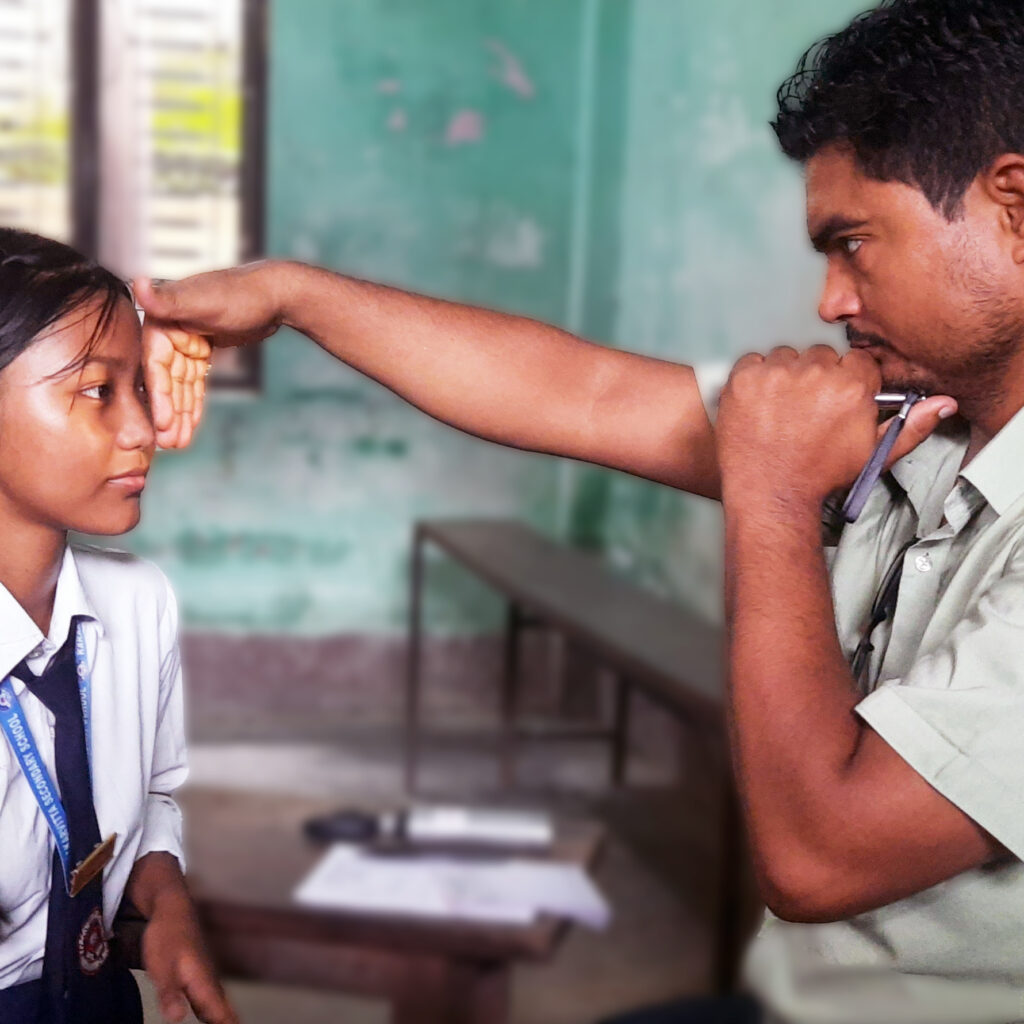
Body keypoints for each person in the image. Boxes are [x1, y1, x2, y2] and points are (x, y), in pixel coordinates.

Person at [137, 0, 1024, 1020]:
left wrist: (771, 491)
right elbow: (580, 394)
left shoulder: (858, 440)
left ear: (1010, 205)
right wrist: (292, 296)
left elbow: (817, 859)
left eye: (852, 243)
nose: (827, 300)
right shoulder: (913, 418)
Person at [0, 229, 238, 1024]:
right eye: (99, 391)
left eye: (140, 388)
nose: (144, 430)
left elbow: (155, 792)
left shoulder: (138, 604)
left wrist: (165, 899)